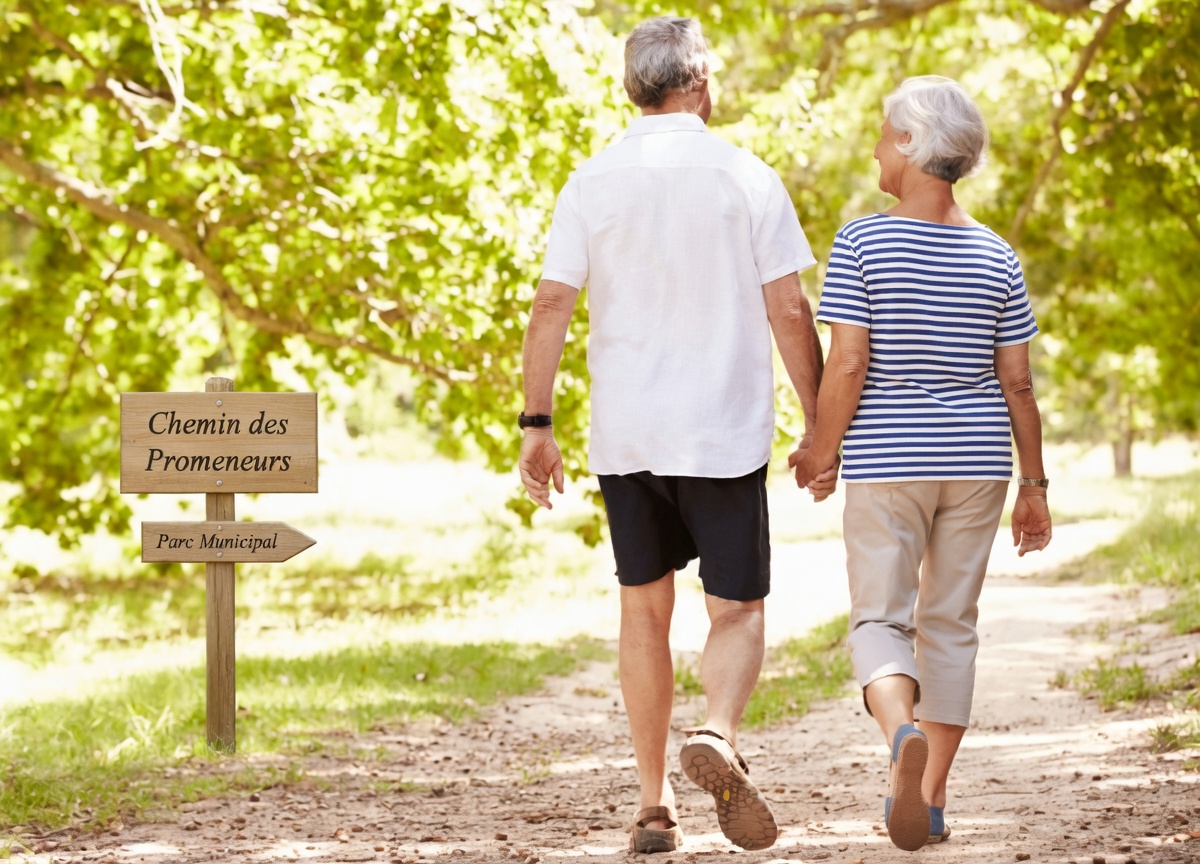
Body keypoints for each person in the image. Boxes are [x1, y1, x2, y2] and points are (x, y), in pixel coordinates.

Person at [517, 16, 825, 855]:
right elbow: (788, 308)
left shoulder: (590, 181)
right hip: (721, 431)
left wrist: (536, 425)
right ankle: (718, 732)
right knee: (737, 608)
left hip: (629, 434)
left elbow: (551, 303)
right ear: (699, 83)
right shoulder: (745, 175)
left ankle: (653, 806)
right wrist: (819, 423)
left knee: (643, 610)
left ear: (633, 88)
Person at [790, 75, 1053, 852]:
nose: (876, 147)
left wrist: (820, 450)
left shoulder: (861, 243)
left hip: (890, 460)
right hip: (979, 463)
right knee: (950, 624)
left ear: (910, 143)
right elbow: (1019, 383)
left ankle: (900, 731)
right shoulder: (998, 255)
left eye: (883, 133)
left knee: (880, 617)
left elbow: (848, 365)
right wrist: (1035, 486)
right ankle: (931, 797)